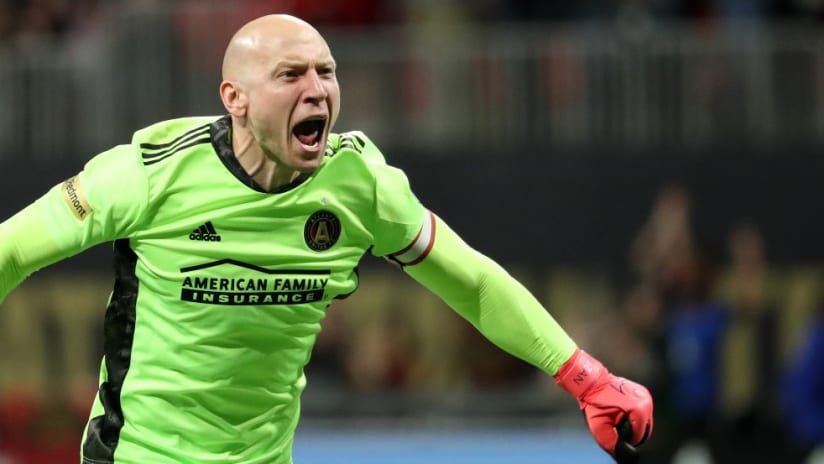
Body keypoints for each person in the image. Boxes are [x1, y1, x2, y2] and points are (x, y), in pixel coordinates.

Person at [0, 13, 653, 464]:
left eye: (326, 72)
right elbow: (12, 250)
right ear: (237, 97)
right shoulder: (149, 174)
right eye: (291, 75)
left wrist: (585, 377)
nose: (317, 89)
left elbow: (473, 281)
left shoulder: (359, 184)